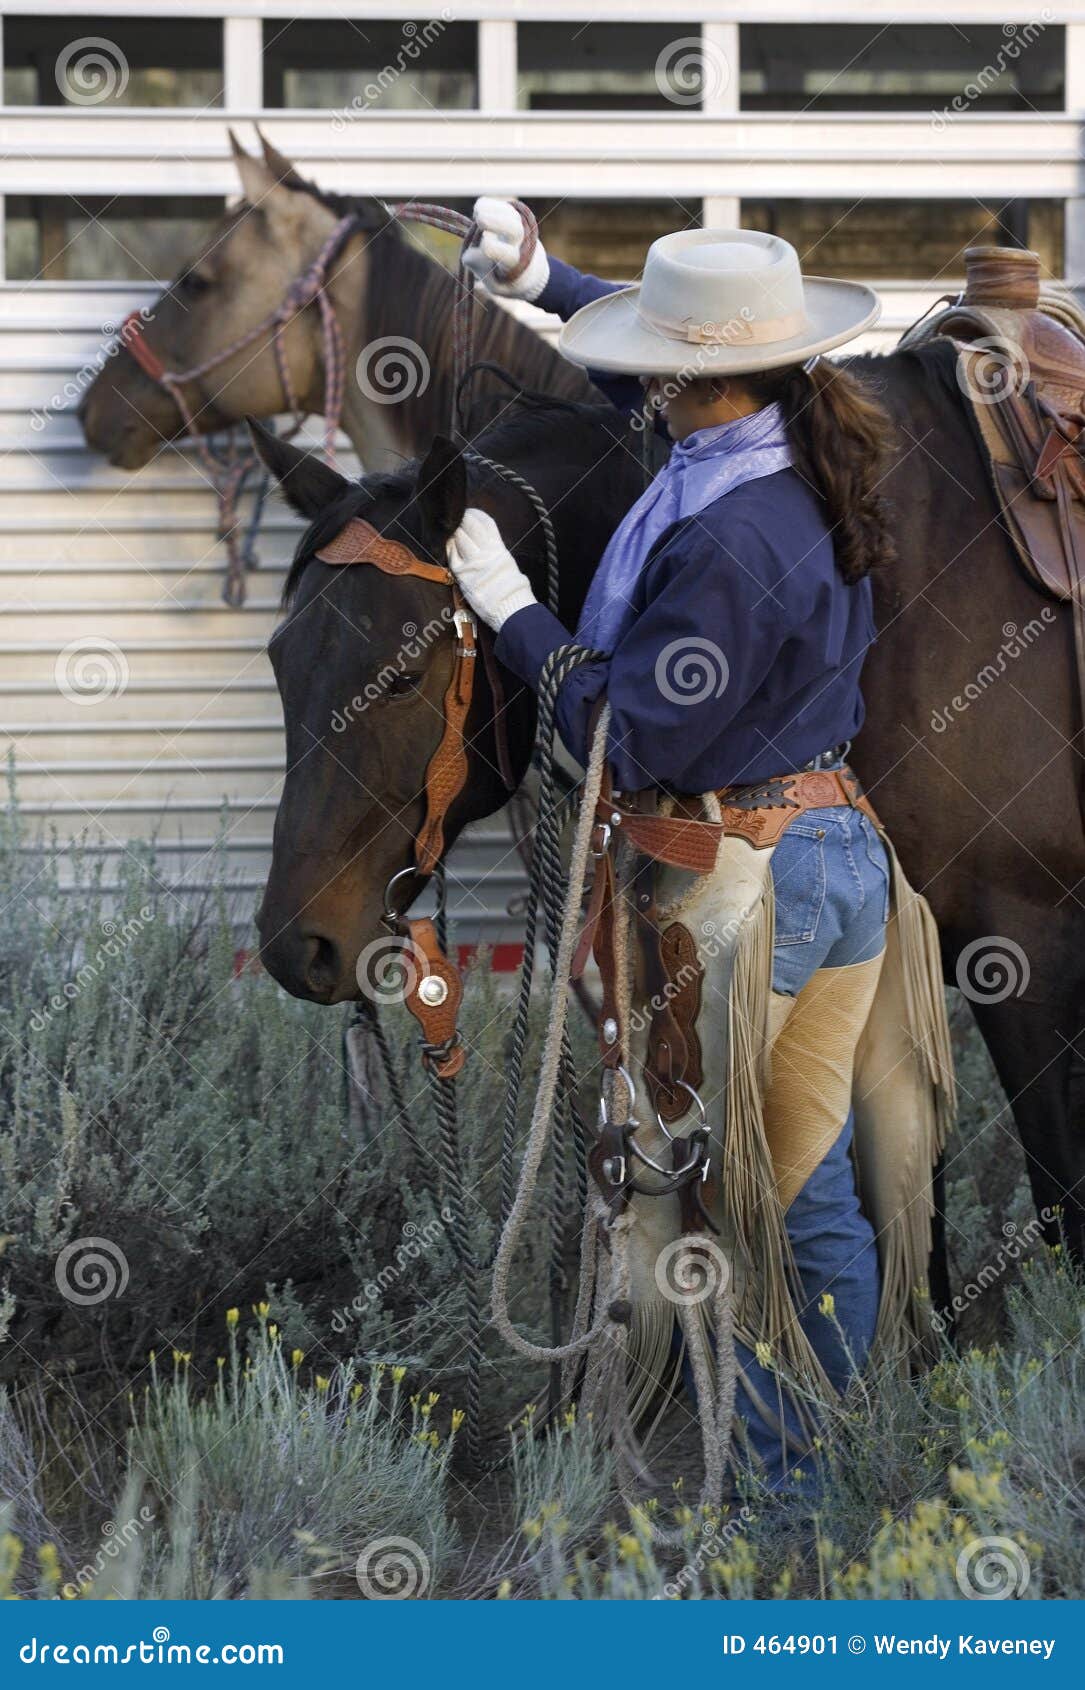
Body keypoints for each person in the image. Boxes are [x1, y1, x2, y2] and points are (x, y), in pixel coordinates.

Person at [448, 202, 898, 1489]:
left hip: (751, 887)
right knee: (808, 1203)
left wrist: (516, 613)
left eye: (656, 362)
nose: (641, 380)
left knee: (749, 1207)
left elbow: (625, 737)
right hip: (830, 853)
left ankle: (774, 1511)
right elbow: (667, 369)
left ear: (693, 379)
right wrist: (544, 280)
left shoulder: (720, 536)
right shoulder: (784, 449)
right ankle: (832, 1478)